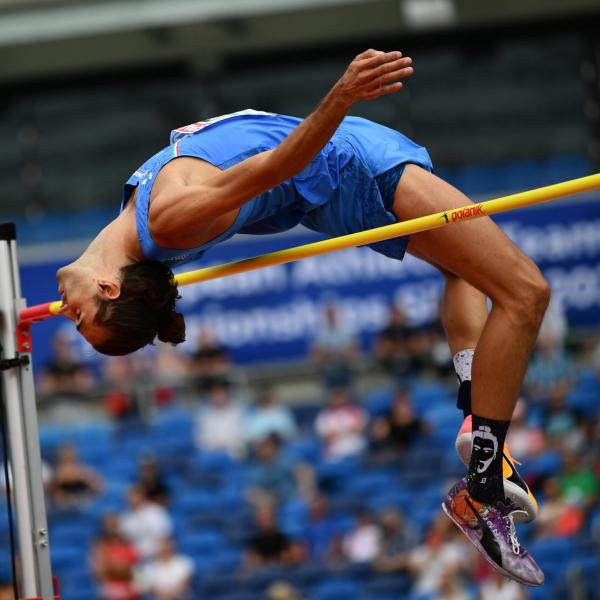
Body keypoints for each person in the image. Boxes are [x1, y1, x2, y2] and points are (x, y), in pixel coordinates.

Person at [55, 49, 549, 584]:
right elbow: (277, 165)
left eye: (79, 323)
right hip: (348, 166)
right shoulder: (167, 221)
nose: (67, 315)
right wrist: (342, 92)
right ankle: (482, 483)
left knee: (467, 272)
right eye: (80, 319)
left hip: (340, 167)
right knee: (526, 292)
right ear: (108, 286)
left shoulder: (133, 226)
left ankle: (474, 410)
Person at [90, 513, 140, 600]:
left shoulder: (128, 545)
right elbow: (99, 572)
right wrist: (119, 569)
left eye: (114, 525)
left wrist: (113, 569)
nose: (111, 529)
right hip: (109, 592)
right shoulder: (100, 546)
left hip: (130, 592)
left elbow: (134, 571)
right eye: (108, 525)